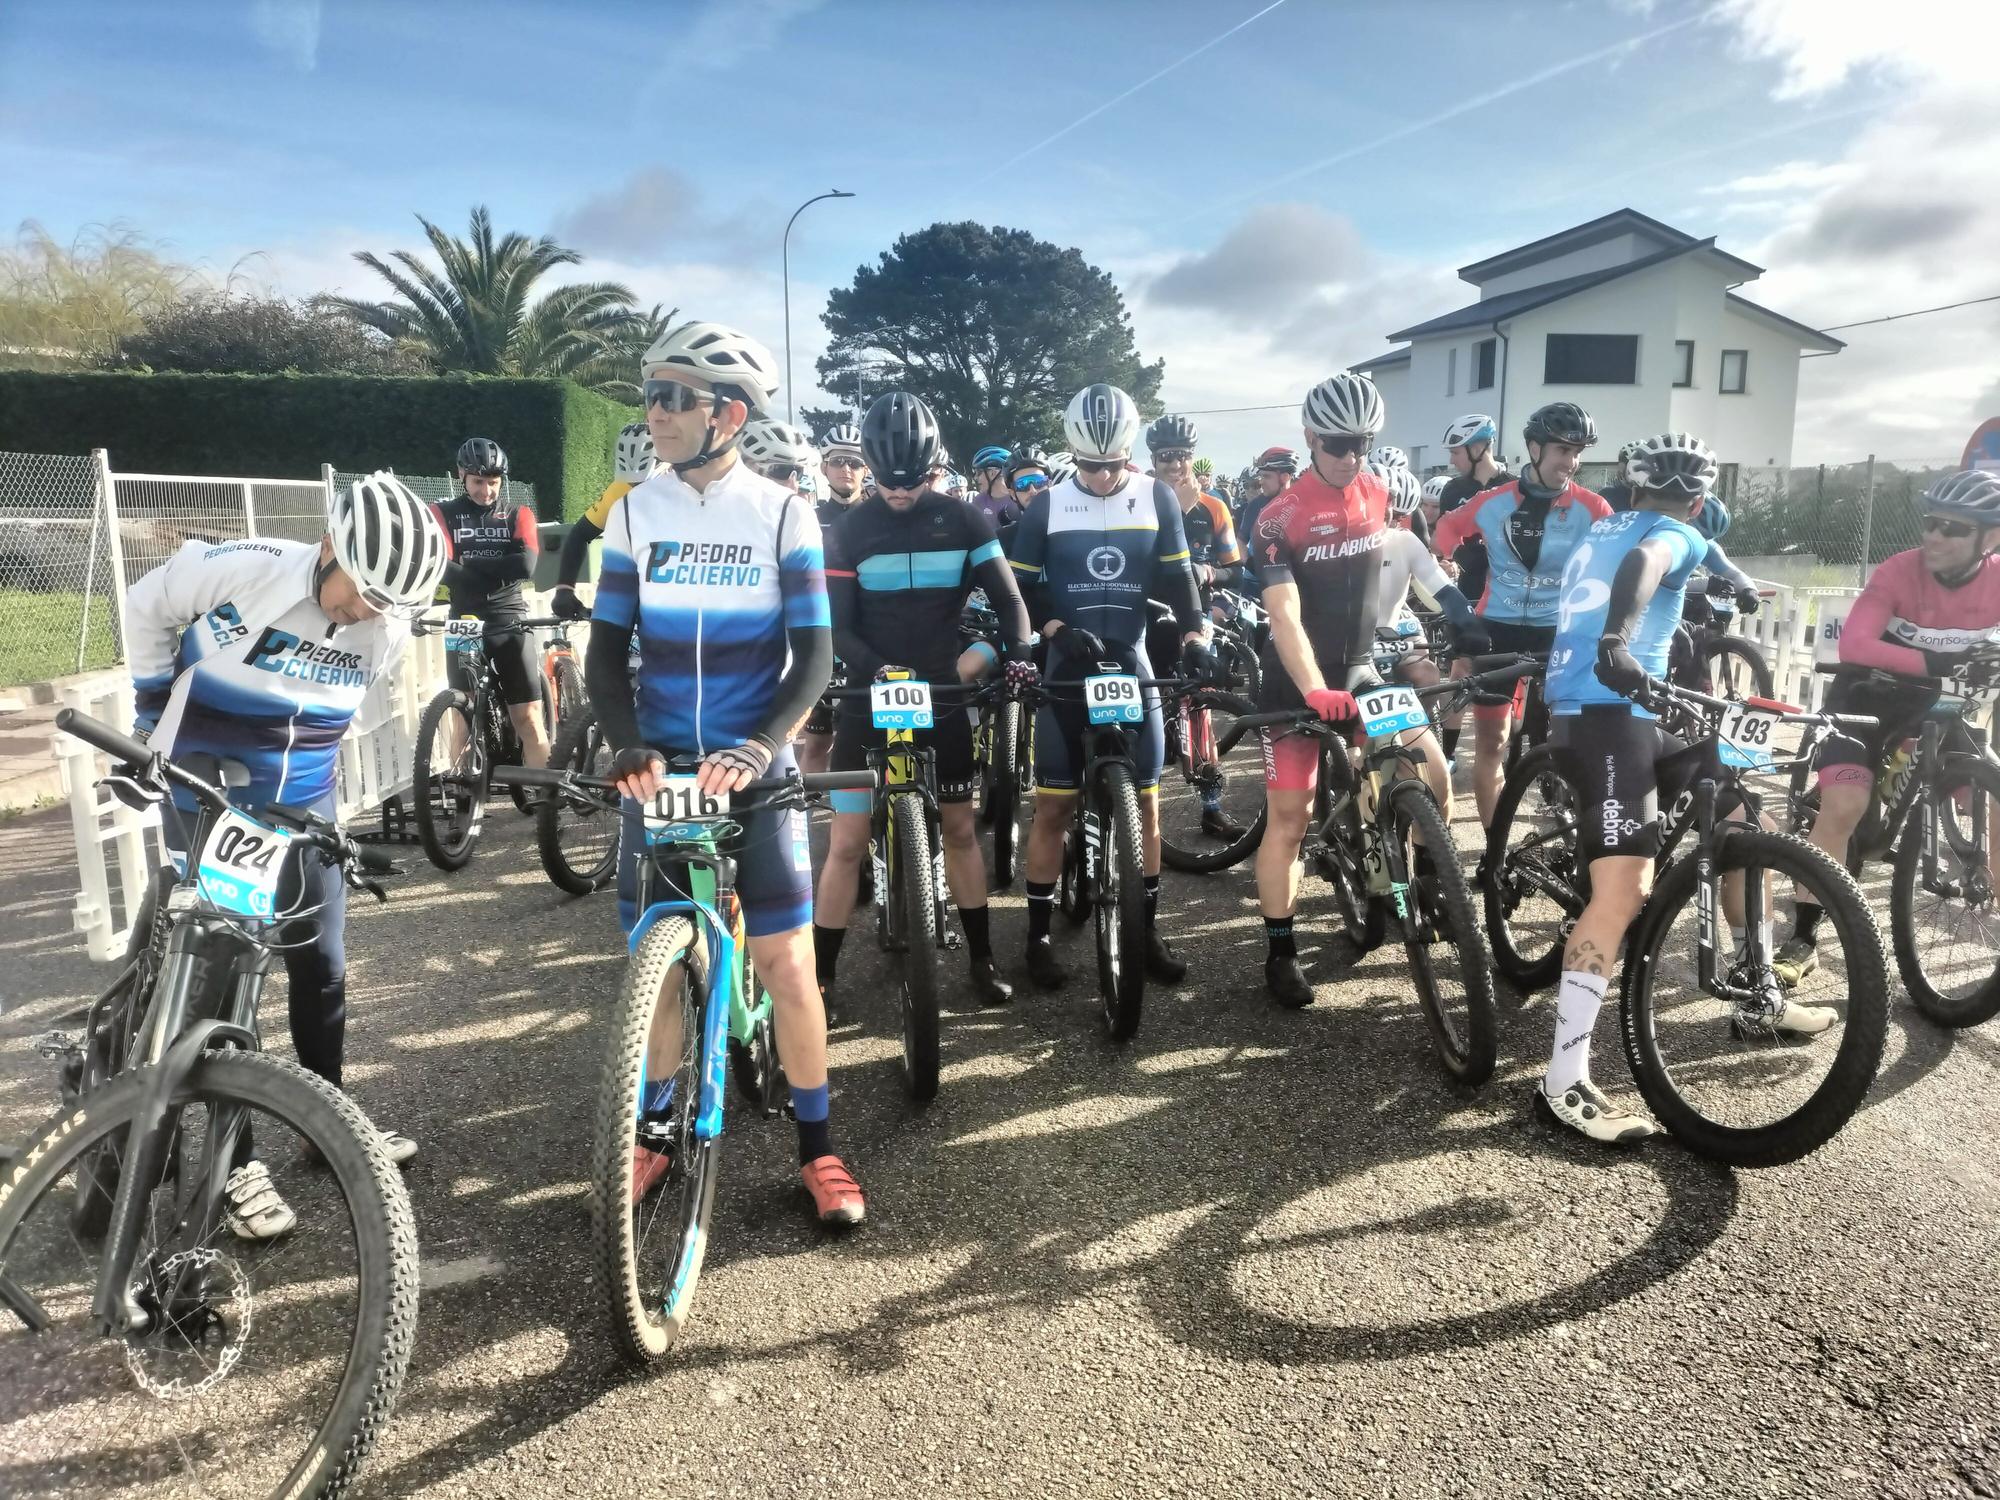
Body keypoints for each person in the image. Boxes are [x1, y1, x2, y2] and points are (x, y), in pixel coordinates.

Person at [584, 319, 863, 1226]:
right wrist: (628, 742)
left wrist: (762, 742)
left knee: (787, 961)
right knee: (654, 964)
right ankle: (654, 1134)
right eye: (652, 394)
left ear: (729, 414)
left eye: (675, 396)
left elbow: (814, 657)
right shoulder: (633, 508)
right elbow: (605, 652)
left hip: (755, 760)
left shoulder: (784, 511)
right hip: (658, 765)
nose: (655, 412)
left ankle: (819, 1148)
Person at [128, 473, 449, 1234]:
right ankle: (234, 1167)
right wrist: (150, 718)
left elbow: (334, 710)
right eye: (360, 591)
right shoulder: (251, 568)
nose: (365, 611)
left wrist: (316, 804)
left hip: (302, 801)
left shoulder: (384, 622)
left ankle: (324, 1116)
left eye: (384, 604)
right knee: (228, 980)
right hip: (209, 788)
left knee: (322, 962)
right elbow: (148, 605)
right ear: (332, 543)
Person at [1538, 432, 1834, 1143]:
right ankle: (1561, 1080)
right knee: (1623, 893)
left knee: (1738, 820)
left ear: (1631, 488)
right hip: (1605, 708)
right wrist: (1619, 636)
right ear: (1700, 501)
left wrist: (1728, 582)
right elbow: (1653, 560)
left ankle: (1755, 991)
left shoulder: (1609, 518)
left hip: (1629, 706)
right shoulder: (1672, 532)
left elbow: (1695, 561)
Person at [815, 392, 1036, 1011]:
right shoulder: (849, 528)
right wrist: (876, 668)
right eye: (887, 482)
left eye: (911, 481)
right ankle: (823, 973)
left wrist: (1017, 650)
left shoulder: (965, 519)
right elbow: (838, 627)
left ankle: (982, 958)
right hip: (868, 688)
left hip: (939, 690)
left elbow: (1012, 600)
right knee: (847, 841)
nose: (900, 493)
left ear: (932, 466)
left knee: (961, 830)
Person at [1249, 371, 1456, 1007]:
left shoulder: (1376, 490)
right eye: (1337, 443)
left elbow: (1408, 571)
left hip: (1362, 667)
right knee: (1289, 817)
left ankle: (1425, 883)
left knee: (1436, 772)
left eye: (1362, 442)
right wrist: (1313, 689)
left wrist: (1459, 626)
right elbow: (1284, 615)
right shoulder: (1277, 516)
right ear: (1310, 436)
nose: (1350, 456)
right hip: (1294, 681)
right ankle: (1280, 951)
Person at [1008, 382, 1213, 989]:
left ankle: (1145, 929)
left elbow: (1181, 582)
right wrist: (1052, 628)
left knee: (1148, 807)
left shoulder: (1157, 498)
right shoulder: (1045, 504)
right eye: (1089, 466)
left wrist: (1196, 637)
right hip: (1066, 663)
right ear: (1073, 455)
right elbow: (1018, 587)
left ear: (1130, 453)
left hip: (1131, 656)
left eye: (1112, 464)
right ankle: (1037, 937)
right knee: (1053, 808)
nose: (1101, 477)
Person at [1777, 468, 2000, 984]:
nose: (1935, 536)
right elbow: (1856, 645)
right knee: (1847, 806)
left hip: (1938, 706)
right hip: (1865, 699)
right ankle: (1803, 936)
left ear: (1990, 537)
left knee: (1989, 803)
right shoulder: (1900, 571)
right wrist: (1940, 663)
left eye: (1953, 528)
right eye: (1931, 523)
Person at [1432, 402, 1611, 827]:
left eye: (1577, 452)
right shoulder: (1493, 502)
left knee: (1571, 737)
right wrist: (1444, 563)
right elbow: (1444, 532)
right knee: (1492, 743)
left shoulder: (1594, 508)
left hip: (1558, 633)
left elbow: (1622, 560)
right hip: (1497, 629)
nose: (1570, 462)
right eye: (1561, 450)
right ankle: (1496, 849)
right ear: (1534, 447)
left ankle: (1574, 832)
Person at [433, 437, 551, 771]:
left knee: (527, 717)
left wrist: (469, 564)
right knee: (462, 715)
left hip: (509, 618)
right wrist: (500, 566)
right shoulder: (442, 513)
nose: (486, 491)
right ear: (462, 475)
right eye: (479, 482)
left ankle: (547, 803)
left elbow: (526, 566)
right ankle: (463, 800)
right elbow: (443, 568)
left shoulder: (519, 514)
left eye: (494, 483)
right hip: (463, 620)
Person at [553, 422, 655, 621]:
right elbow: (579, 534)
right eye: (632, 483)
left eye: (642, 483)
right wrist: (564, 588)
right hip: (623, 593)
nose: (635, 488)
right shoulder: (619, 489)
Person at [1233, 447, 1298, 600]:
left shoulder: (1302, 506)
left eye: (1266, 477)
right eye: (1260, 476)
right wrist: (1252, 565)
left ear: (1285, 477)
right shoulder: (1255, 506)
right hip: (1254, 584)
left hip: (1292, 587)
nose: (1261, 482)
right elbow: (1240, 543)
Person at [818, 421, 868, 525]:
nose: (846, 469)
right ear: (824, 468)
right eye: (837, 461)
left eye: (854, 463)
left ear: (865, 471)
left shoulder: (882, 521)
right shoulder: (809, 520)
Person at [969, 444, 1017, 529]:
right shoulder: (978, 501)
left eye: (978, 473)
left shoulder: (1019, 499)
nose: (975, 478)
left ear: (992, 473)